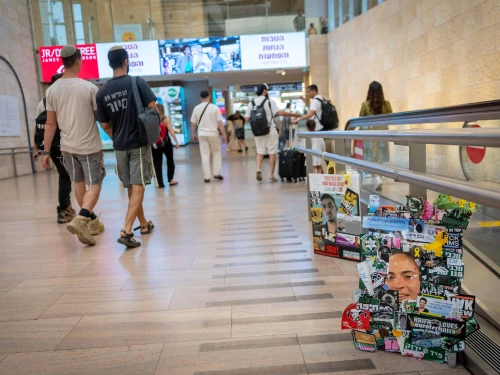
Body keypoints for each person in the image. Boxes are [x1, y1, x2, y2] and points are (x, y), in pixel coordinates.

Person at [42, 45, 104, 246]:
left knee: (78, 183)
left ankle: (91, 223)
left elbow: (50, 124)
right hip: (89, 146)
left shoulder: (51, 90)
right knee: (94, 185)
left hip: (66, 147)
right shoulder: (89, 88)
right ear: (78, 61)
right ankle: (81, 218)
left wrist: (45, 151)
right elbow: (99, 119)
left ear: (62, 62)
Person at [96, 46, 157, 248]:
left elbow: (104, 124)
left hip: (119, 145)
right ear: (126, 61)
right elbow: (153, 109)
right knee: (138, 185)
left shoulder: (102, 91)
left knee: (132, 186)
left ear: (109, 64)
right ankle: (127, 229)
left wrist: (119, 136)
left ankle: (144, 223)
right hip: (138, 142)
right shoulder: (137, 82)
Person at [33, 73, 75, 224]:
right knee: (65, 175)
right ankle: (64, 209)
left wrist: (37, 148)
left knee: (65, 174)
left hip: (51, 146)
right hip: (64, 143)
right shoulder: (64, 102)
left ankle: (66, 207)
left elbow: (38, 128)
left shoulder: (42, 103)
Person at [245, 83, 299, 183]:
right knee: (272, 153)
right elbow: (280, 113)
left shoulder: (251, 103)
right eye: (267, 90)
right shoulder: (269, 101)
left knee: (260, 152)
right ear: (264, 91)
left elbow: (247, 118)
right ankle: (271, 176)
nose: (268, 92)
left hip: (258, 132)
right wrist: (294, 114)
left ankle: (258, 169)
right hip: (270, 130)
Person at [359, 81, 393, 190]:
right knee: (380, 157)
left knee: (372, 157)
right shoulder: (386, 104)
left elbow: (360, 119)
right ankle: (379, 177)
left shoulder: (365, 105)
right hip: (383, 134)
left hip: (370, 134)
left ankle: (377, 177)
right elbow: (391, 117)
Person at [191, 90, 227, 183]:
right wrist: (224, 135)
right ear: (209, 96)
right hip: (213, 134)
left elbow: (193, 124)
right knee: (216, 153)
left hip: (202, 134)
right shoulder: (215, 108)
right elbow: (220, 123)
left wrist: (193, 134)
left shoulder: (196, 108)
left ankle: (207, 177)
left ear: (200, 97)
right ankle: (216, 173)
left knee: (204, 155)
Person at [153, 103, 179, 188]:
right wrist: (176, 142)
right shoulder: (165, 119)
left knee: (157, 163)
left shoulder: (152, 119)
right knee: (170, 161)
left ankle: (160, 183)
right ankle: (170, 179)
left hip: (155, 145)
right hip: (166, 143)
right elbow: (171, 131)